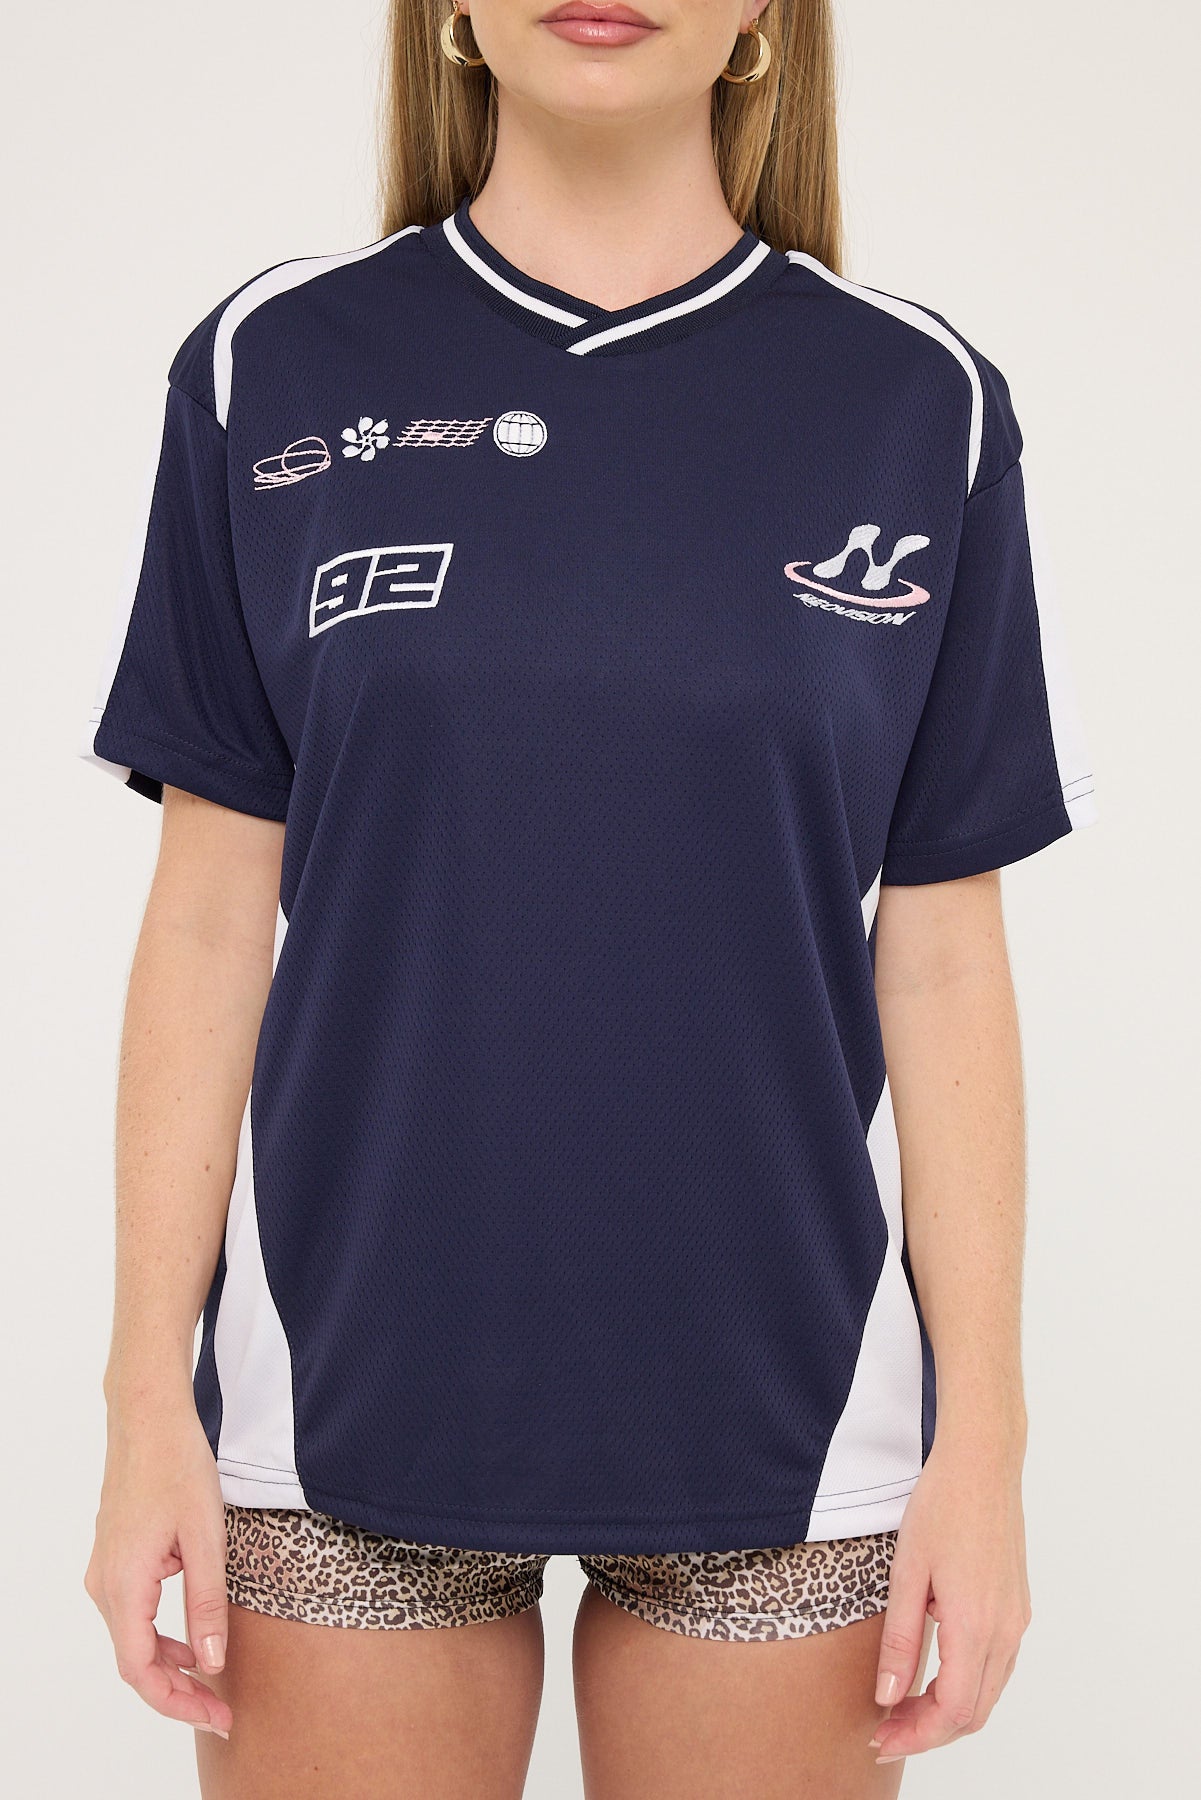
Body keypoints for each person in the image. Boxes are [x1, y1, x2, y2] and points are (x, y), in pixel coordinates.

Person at [78, 3, 1097, 1795]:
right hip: (346, 1399)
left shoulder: (913, 401)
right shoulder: (272, 364)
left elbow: (939, 954)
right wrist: (141, 1395)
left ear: (765, 16)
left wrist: (987, 1445)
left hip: (788, 1417)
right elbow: (209, 919)